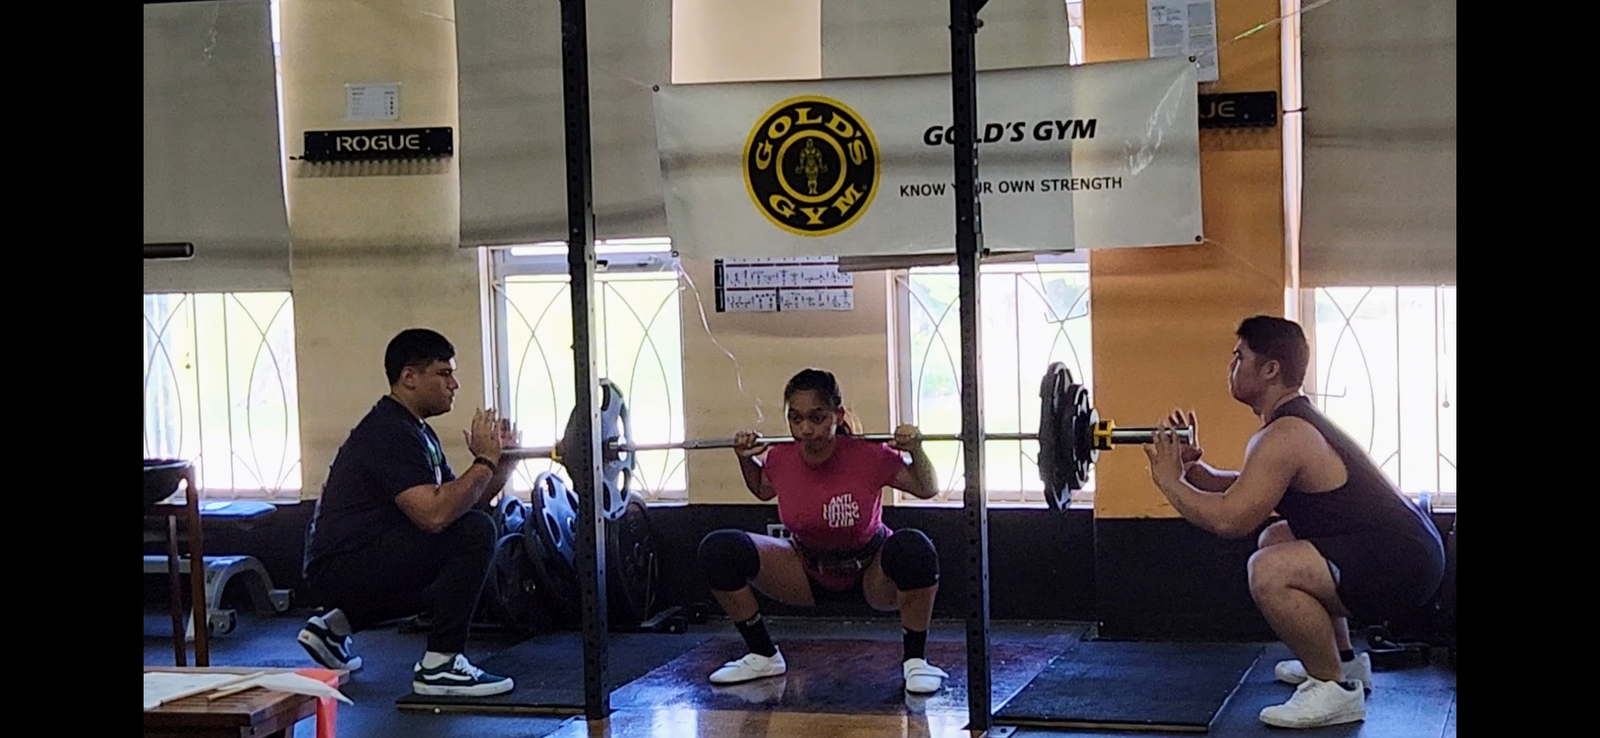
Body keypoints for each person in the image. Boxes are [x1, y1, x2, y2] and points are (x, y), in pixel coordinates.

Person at [1142, 315, 1446, 729]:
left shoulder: (1284, 436)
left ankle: (1333, 690)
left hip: (1403, 565)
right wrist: (1192, 470)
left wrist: (1167, 482)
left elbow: (1230, 521)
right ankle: (1342, 664)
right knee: (1276, 539)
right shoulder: (1291, 425)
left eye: (1240, 357)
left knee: (1268, 569)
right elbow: (1244, 489)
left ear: (1270, 370)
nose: (1232, 366)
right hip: (1407, 553)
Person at [299, 328, 523, 697]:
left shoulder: (417, 432)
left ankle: (333, 628)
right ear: (408, 377)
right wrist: (483, 459)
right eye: (443, 373)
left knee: (474, 532)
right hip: (341, 568)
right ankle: (442, 665)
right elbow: (435, 517)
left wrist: (501, 466)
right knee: (474, 535)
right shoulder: (389, 432)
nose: (455, 384)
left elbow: (460, 505)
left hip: (359, 561)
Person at [696, 368, 949, 694]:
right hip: (805, 569)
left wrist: (916, 449)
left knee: (915, 548)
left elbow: (926, 488)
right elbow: (762, 489)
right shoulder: (781, 456)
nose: (805, 430)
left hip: (871, 570)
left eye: (817, 418)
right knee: (720, 549)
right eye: (796, 419)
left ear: (837, 415)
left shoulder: (868, 453)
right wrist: (745, 459)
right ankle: (763, 655)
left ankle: (916, 662)